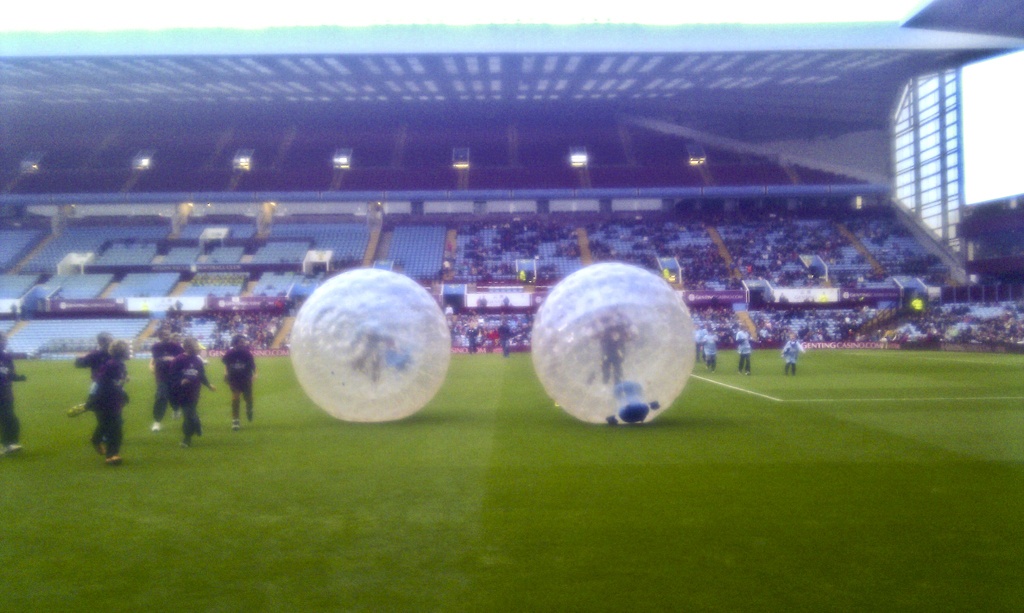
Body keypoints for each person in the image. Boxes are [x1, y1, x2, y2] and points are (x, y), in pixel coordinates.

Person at [170, 337, 216, 448]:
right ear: (187, 347)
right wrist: (181, 381)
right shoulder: (178, 360)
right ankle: (196, 424)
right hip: (181, 392)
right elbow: (172, 376)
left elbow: (201, 375)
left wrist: (209, 385)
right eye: (194, 346)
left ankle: (187, 439)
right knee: (190, 414)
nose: (196, 348)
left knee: (188, 414)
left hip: (194, 391)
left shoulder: (198, 360)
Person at [92, 340, 131, 465]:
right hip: (106, 399)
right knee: (115, 429)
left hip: (114, 399)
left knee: (107, 425)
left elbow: (117, 382)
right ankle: (111, 455)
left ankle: (96, 439)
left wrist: (123, 390)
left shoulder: (120, 365)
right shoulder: (112, 365)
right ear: (122, 352)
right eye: (127, 350)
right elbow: (102, 382)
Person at [69, 331, 113, 417]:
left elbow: (79, 364)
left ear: (99, 342)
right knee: (111, 413)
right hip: (114, 385)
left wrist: (80, 357)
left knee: (102, 414)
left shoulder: (95, 354)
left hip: (98, 384)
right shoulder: (115, 354)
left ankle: (89, 405)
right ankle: (90, 405)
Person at [149, 328, 184, 432]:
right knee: (161, 397)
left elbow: (182, 358)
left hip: (175, 376)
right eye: (164, 334)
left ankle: (176, 409)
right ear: (159, 336)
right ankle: (157, 422)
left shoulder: (176, 346)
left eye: (168, 334)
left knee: (174, 396)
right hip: (162, 376)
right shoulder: (155, 347)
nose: (167, 336)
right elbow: (156, 360)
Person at [221, 334, 257, 431]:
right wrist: (225, 373)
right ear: (235, 343)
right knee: (235, 398)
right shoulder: (229, 353)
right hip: (234, 378)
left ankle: (249, 409)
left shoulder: (247, 353)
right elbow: (226, 364)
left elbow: (253, 366)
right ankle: (235, 421)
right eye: (241, 342)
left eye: (244, 342)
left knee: (248, 398)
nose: (244, 343)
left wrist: (255, 374)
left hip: (246, 378)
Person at [0, 332, 27, 456]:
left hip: (5, 391)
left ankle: (10, 443)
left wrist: (19, 378)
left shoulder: (6, 356)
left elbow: (10, 373)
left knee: (9, 418)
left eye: (4, 340)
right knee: (7, 417)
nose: (4, 342)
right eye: (3, 340)